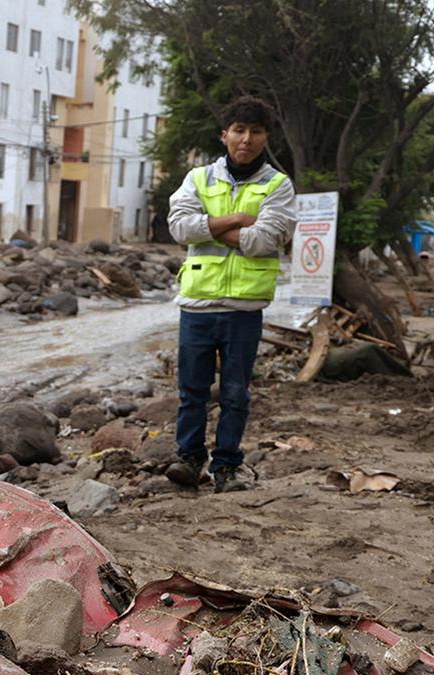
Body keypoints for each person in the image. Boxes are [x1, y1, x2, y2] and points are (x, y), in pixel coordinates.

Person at [165, 95, 298, 494]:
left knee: (236, 393)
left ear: (265, 137)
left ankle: (226, 467)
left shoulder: (278, 185)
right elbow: (178, 227)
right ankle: (189, 460)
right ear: (224, 135)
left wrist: (208, 224)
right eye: (238, 130)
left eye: (255, 131)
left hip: (244, 307)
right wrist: (237, 219)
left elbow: (266, 239)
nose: (246, 139)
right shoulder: (199, 178)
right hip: (198, 302)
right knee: (192, 391)